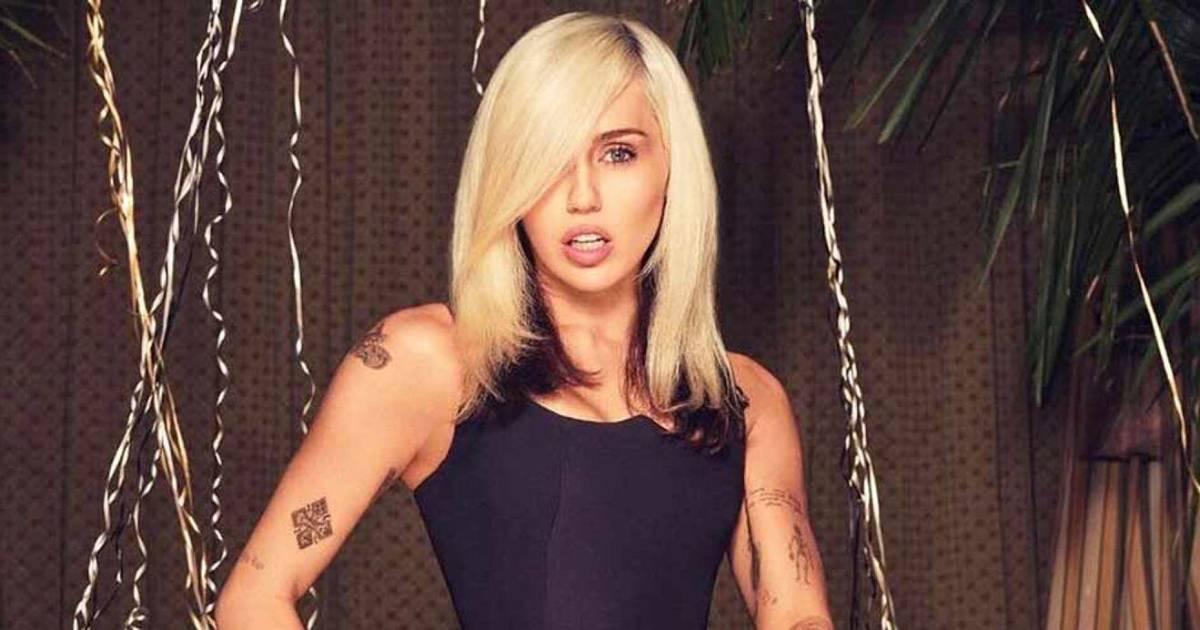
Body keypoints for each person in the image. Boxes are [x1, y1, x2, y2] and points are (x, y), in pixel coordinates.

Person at [214, 11, 833, 630]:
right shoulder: (427, 362)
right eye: (548, 157)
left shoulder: (743, 401)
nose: (582, 196)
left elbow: (799, 618)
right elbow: (253, 600)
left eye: (618, 153)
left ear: (671, 172)